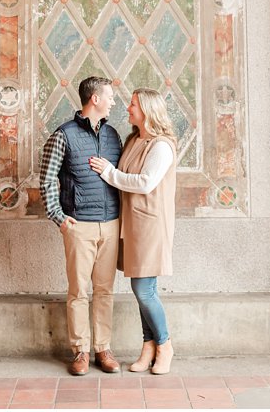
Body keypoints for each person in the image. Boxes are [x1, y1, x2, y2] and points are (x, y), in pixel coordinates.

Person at [89, 88, 179, 375]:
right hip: (132, 223)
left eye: (133, 104)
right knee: (139, 288)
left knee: (145, 289)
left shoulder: (161, 145)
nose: (128, 108)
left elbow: (145, 183)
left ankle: (164, 344)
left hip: (151, 225)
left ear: (148, 110)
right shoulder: (133, 139)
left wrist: (108, 172)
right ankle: (148, 345)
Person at [39, 76, 123, 375]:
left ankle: (103, 348)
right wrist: (59, 217)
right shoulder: (63, 135)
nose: (114, 101)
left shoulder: (113, 135)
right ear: (95, 99)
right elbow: (47, 178)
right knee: (79, 291)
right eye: (109, 96)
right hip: (79, 225)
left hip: (111, 223)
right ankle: (80, 351)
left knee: (105, 290)